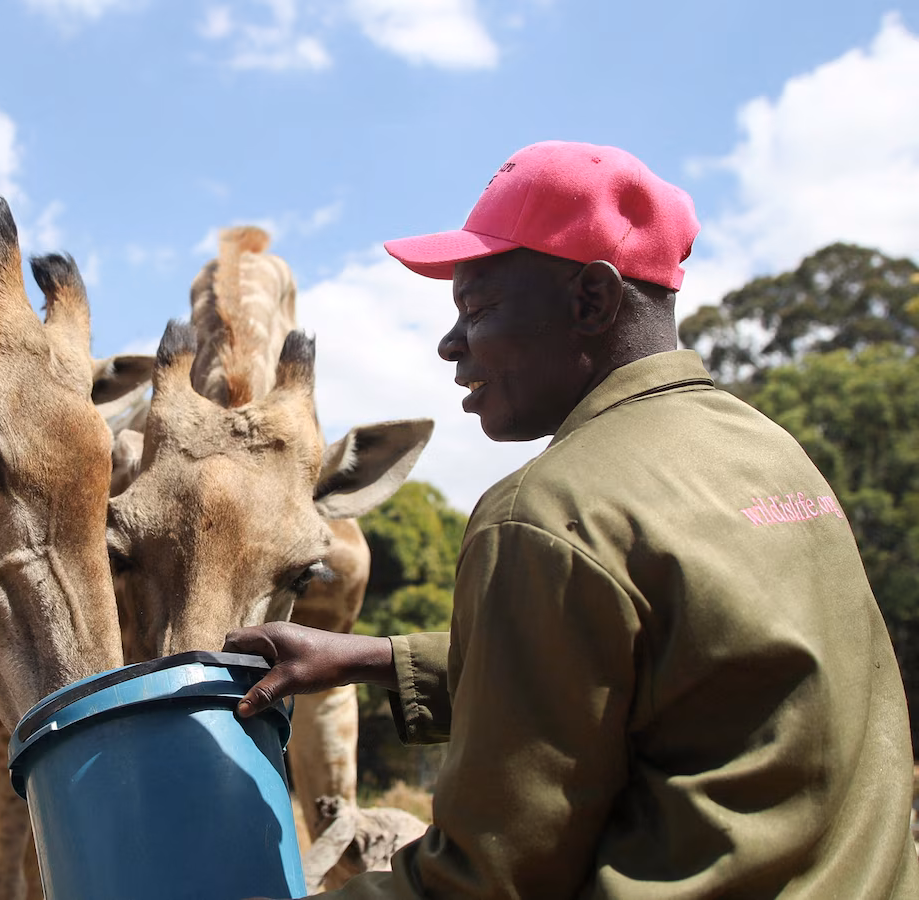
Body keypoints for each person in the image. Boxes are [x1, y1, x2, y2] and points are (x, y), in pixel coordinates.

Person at [225, 140, 919, 898]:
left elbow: (486, 883)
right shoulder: (771, 453)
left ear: (592, 300)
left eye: (478, 309)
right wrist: (372, 659)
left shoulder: (544, 513)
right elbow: (660, 665)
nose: (449, 344)